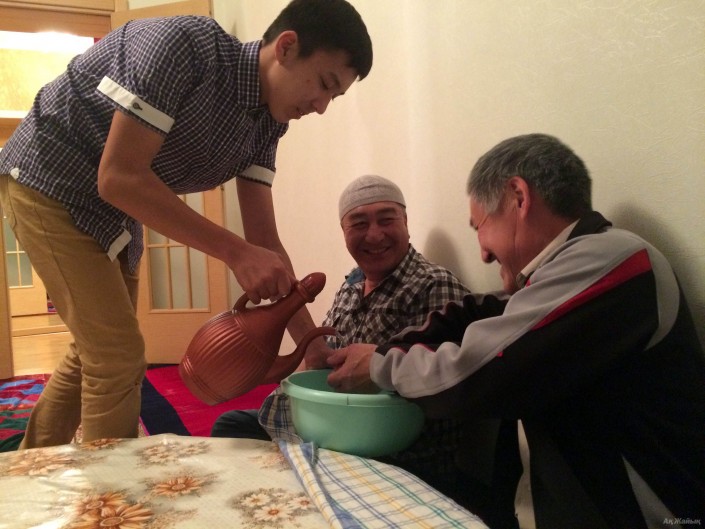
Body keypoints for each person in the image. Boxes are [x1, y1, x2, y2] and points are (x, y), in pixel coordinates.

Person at [0, 0, 372, 449]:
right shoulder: (185, 47)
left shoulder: (267, 124)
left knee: (96, 351)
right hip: (48, 177)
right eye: (325, 84)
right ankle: (111, 493)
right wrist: (236, 253)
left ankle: (30, 465)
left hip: (112, 210)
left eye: (334, 97)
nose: (322, 107)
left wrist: (309, 344)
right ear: (287, 47)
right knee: (116, 356)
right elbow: (119, 177)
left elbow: (264, 240)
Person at [328, 134, 705, 527]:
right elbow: (482, 313)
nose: (482, 252)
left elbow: (480, 370)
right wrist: (386, 350)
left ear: (519, 197)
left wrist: (379, 365)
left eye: (479, 226)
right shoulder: (558, 279)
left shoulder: (613, 258)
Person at [211, 175, 521, 523]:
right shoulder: (351, 285)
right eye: (358, 224)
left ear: (405, 222)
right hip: (335, 429)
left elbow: (437, 396)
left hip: (398, 452)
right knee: (231, 427)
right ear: (344, 232)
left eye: (386, 219)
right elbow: (323, 363)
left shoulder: (433, 286)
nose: (374, 235)